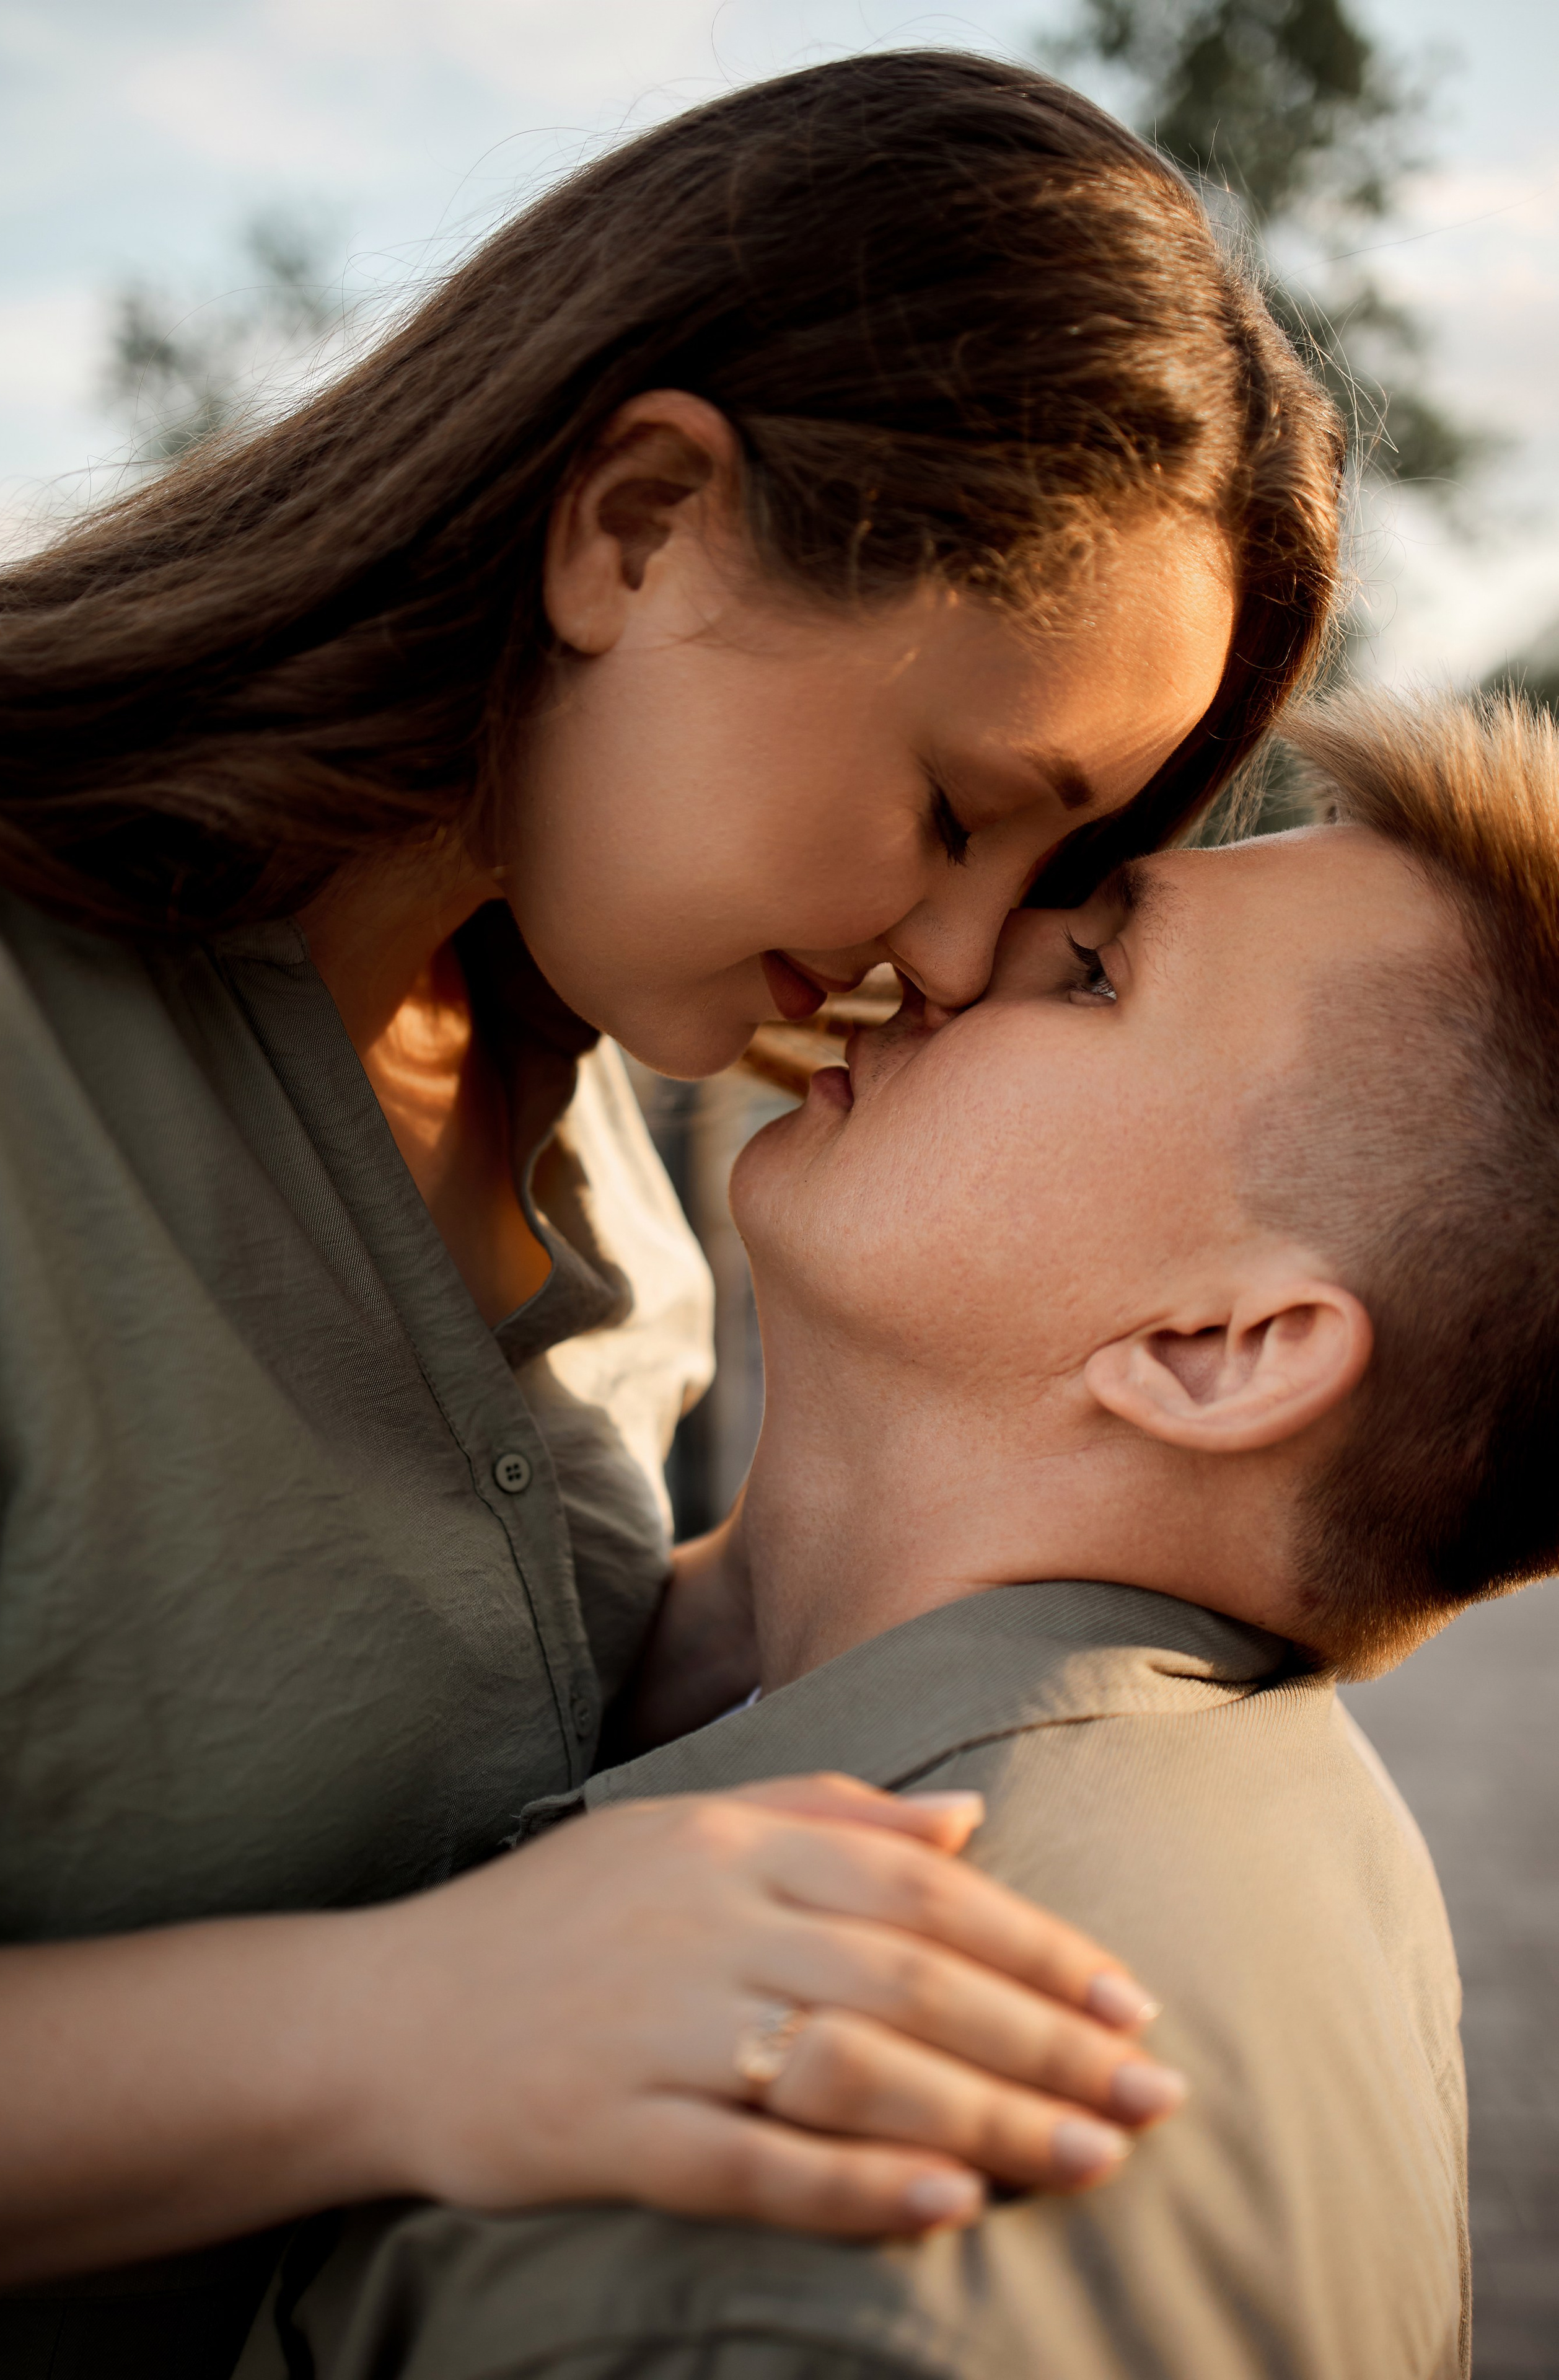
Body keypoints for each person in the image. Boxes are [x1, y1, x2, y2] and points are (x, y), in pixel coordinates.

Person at [0, 50, 1343, 2379]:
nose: (964, 965)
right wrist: (388, 2026)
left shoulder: (592, 1099)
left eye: (1057, 886)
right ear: (636, 523)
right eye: (956, 806)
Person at [256, 685, 1559, 2380]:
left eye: (1093, 973)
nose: (955, 960)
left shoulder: (788, 2161)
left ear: (1215, 1350)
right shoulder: (1294, 1840)